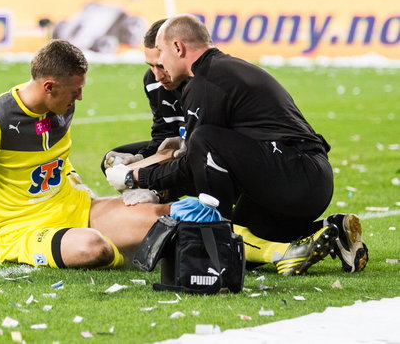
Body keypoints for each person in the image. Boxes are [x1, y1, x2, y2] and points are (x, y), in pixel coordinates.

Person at [106, 14, 368, 275]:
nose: (159, 63)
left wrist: (138, 176)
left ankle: (215, 232)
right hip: (301, 176)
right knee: (247, 247)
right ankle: (331, 230)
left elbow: (195, 161)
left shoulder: (206, 81)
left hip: (294, 176)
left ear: (178, 48)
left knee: (204, 148)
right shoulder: (223, 69)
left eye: (161, 53)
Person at [0, 40, 170, 269]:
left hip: (78, 209)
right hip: (26, 232)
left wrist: (75, 180)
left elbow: (53, 156)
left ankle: (133, 247)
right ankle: (130, 253)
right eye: (76, 90)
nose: (80, 98)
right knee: (93, 249)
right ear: (49, 87)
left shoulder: (62, 106)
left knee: (165, 218)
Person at [101, 19, 194, 205]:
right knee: (112, 161)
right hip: (179, 153)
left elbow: (209, 146)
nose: (157, 75)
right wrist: (140, 158)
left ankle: (160, 192)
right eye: (150, 65)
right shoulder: (153, 80)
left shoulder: (201, 83)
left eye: (161, 65)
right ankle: (159, 200)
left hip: (204, 155)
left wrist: (140, 175)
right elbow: (163, 135)